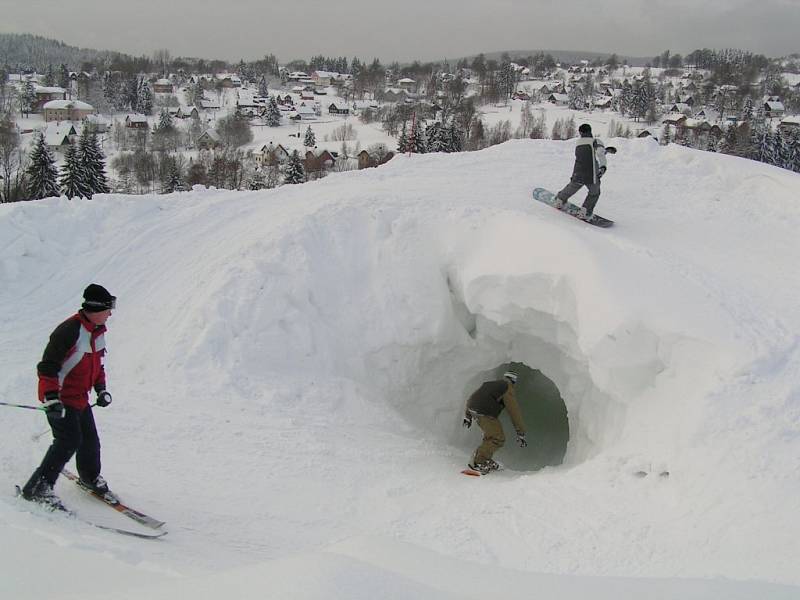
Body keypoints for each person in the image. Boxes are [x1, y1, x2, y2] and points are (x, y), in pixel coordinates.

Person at [21, 284, 116, 510]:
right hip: (61, 398)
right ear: (95, 309)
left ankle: (89, 477)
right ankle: (38, 488)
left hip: (80, 398)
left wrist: (101, 389)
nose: (111, 313)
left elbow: (96, 364)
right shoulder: (69, 331)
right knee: (68, 441)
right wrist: (51, 397)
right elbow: (47, 367)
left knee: (90, 441)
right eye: (108, 308)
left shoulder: (97, 331)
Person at [462, 371, 527, 474]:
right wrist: (520, 432)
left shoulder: (490, 384)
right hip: (484, 412)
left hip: (473, 409)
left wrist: (468, 416)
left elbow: (473, 397)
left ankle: (484, 459)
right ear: (513, 381)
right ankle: (478, 462)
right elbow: (514, 411)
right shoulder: (507, 388)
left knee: (490, 436)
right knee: (497, 438)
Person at [554, 123, 609, 221]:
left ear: (581, 132)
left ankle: (559, 200)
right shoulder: (595, 141)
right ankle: (585, 212)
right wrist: (603, 167)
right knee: (594, 192)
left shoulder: (579, 143)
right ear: (590, 131)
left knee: (572, 187)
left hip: (578, 172)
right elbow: (600, 153)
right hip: (591, 174)